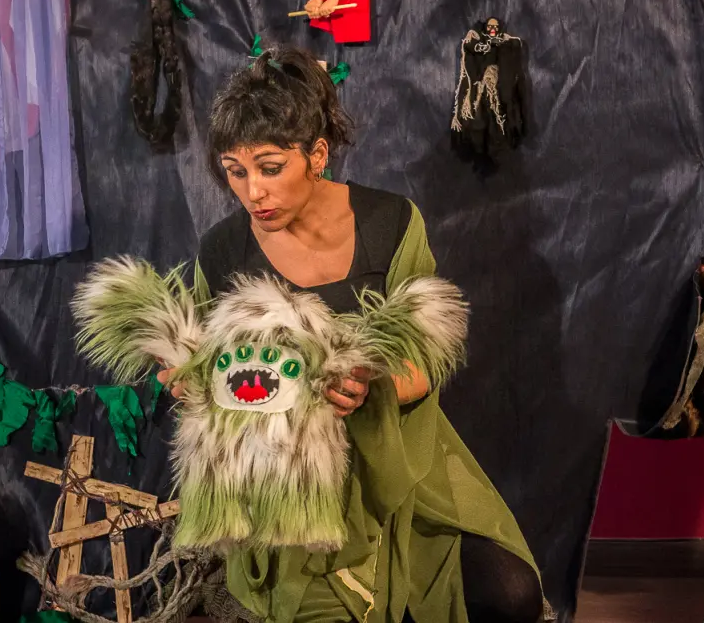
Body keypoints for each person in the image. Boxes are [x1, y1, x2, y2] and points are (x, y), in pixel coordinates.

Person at [158, 45, 543, 623]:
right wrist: (193, 382)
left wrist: (371, 388)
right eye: (235, 172)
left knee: (510, 593)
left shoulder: (391, 222)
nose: (252, 192)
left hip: (398, 465)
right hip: (291, 492)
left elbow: (427, 357)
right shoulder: (222, 250)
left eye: (269, 167)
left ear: (316, 154)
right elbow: (208, 371)